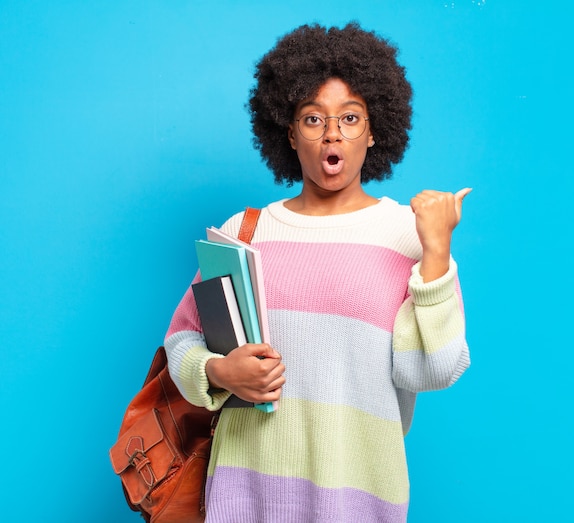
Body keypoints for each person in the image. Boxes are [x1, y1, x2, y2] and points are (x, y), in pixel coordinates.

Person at [164, 22, 470, 523]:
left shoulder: (407, 236)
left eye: (350, 118)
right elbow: (181, 342)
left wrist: (436, 252)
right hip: (243, 499)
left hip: (358, 502)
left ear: (374, 131)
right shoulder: (243, 230)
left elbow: (432, 370)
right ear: (288, 131)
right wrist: (219, 372)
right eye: (313, 118)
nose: (333, 134)